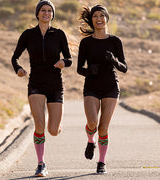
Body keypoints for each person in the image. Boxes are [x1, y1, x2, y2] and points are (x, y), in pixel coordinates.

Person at [11, 0, 72, 177]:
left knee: (52, 130)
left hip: (55, 84)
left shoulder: (59, 34)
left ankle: (58, 123)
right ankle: (41, 163)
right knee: (39, 124)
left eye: (49, 11)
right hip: (36, 83)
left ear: (52, 14)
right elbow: (14, 58)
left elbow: (69, 58)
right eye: (43, 10)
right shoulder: (28, 35)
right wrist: (19, 69)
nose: (46, 13)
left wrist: (63, 62)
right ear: (37, 14)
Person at [77, 5, 127, 174]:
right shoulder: (86, 43)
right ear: (92, 20)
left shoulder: (115, 41)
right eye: (95, 16)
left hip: (111, 87)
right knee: (92, 123)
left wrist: (114, 60)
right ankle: (91, 140)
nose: (99, 19)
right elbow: (79, 69)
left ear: (106, 18)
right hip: (91, 86)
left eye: (102, 15)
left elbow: (124, 67)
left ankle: (101, 162)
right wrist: (89, 71)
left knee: (103, 128)